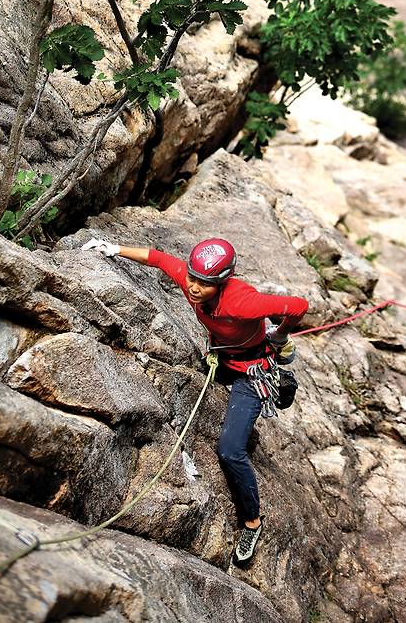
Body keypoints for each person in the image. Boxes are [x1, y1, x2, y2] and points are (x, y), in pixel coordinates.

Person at [81, 235, 309, 566]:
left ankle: (252, 523)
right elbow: (158, 258)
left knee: (230, 451)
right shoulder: (191, 281)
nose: (194, 288)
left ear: (221, 282)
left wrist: (281, 332)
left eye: (204, 283)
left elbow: (299, 305)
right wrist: (114, 249)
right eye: (191, 277)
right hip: (222, 359)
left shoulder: (243, 302)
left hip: (250, 372)